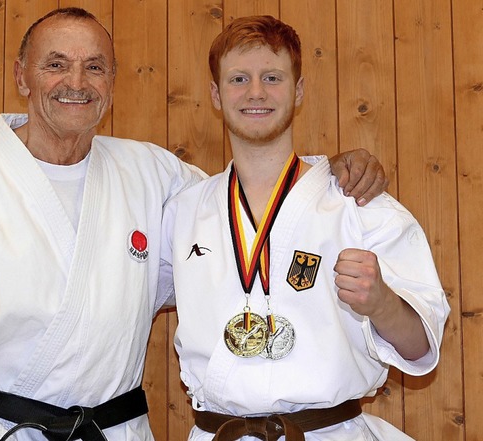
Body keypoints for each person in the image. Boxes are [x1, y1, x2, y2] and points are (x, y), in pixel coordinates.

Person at [0, 8, 387, 441]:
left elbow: (251, 210)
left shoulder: (152, 173)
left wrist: (330, 172)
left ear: (112, 82)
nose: (76, 82)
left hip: (114, 429)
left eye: (94, 67)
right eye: (55, 65)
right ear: (21, 76)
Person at [158, 15, 450, 441]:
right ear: (216, 95)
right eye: (239, 79)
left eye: (272, 77)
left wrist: (383, 303)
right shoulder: (183, 212)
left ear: (298, 91)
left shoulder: (360, 204)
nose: (255, 92)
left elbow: (422, 350)